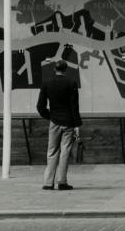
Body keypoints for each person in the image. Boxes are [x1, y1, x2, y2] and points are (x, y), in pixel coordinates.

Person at [36, 59, 82, 191]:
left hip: (54, 121)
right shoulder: (71, 83)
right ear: (66, 69)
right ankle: (62, 182)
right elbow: (74, 106)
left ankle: (48, 182)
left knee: (52, 151)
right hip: (68, 122)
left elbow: (40, 106)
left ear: (54, 69)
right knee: (65, 151)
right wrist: (77, 124)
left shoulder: (47, 83)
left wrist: (50, 116)